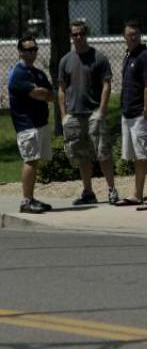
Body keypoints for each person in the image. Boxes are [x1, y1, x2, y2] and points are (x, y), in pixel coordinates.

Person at [58, 20, 119, 205]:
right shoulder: (65, 60)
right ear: (71, 37)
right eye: (74, 34)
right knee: (82, 156)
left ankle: (111, 190)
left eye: (81, 34)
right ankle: (88, 192)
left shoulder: (98, 58)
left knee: (103, 153)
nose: (78, 37)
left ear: (86, 35)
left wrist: (102, 110)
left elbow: (106, 85)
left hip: (94, 113)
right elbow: (61, 89)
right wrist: (63, 116)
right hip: (74, 115)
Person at [115, 20, 147, 211]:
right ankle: (137, 193)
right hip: (128, 114)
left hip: (141, 115)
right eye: (129, 34)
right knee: (138, 157)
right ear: (124, 37)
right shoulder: (129, 55)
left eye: (135, 34)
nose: (133, 37)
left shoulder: (146, 57)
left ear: (140, 35)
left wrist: (146, 109)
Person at [7, 36, 56, 214]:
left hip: (40, 123)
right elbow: (38, 93)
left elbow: (50, 94)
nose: (32, 52)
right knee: (30, 160)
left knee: (35, 161)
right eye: (28, 50)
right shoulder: (18, 73)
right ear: (20, 52)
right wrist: (43, 92)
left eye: (34, 49)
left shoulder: (38, 73)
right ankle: (26, 201)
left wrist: (44, 92)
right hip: (27, 125)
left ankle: (31, 198)